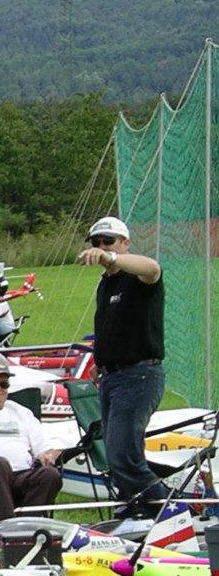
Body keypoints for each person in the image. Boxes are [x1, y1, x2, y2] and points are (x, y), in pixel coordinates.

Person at [80, 214, 168, 514]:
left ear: (125, 243)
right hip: (113, 377)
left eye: (110, 241)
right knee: (118, 453)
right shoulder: (107, 284)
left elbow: (153, 268)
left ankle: (172, 510)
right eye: (97, 242)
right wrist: (99, 360)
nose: (102, 247)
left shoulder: (139, 278)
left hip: (139, 374)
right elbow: (111, 325)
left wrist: (111, 257)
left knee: (123, 456)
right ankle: (138, 508)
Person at [0, 355, 65, 522]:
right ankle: (4, 527)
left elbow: (44, 448)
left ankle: (23, 528)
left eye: (4, 384)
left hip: (20, 476)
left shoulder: (21, 412)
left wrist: (47, 455)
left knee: (50, 475)